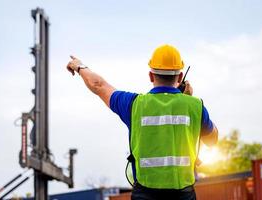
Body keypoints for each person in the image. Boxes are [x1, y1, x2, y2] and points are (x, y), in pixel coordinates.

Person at [66, 44, 218, 200]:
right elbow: (213, 139)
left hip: (145, 196)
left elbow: (98, 85)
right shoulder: (195, 106)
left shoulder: (133, 105)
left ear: (151, 76)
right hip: (183, 196)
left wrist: (79, 66)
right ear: (180, 77)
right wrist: (188, 101)